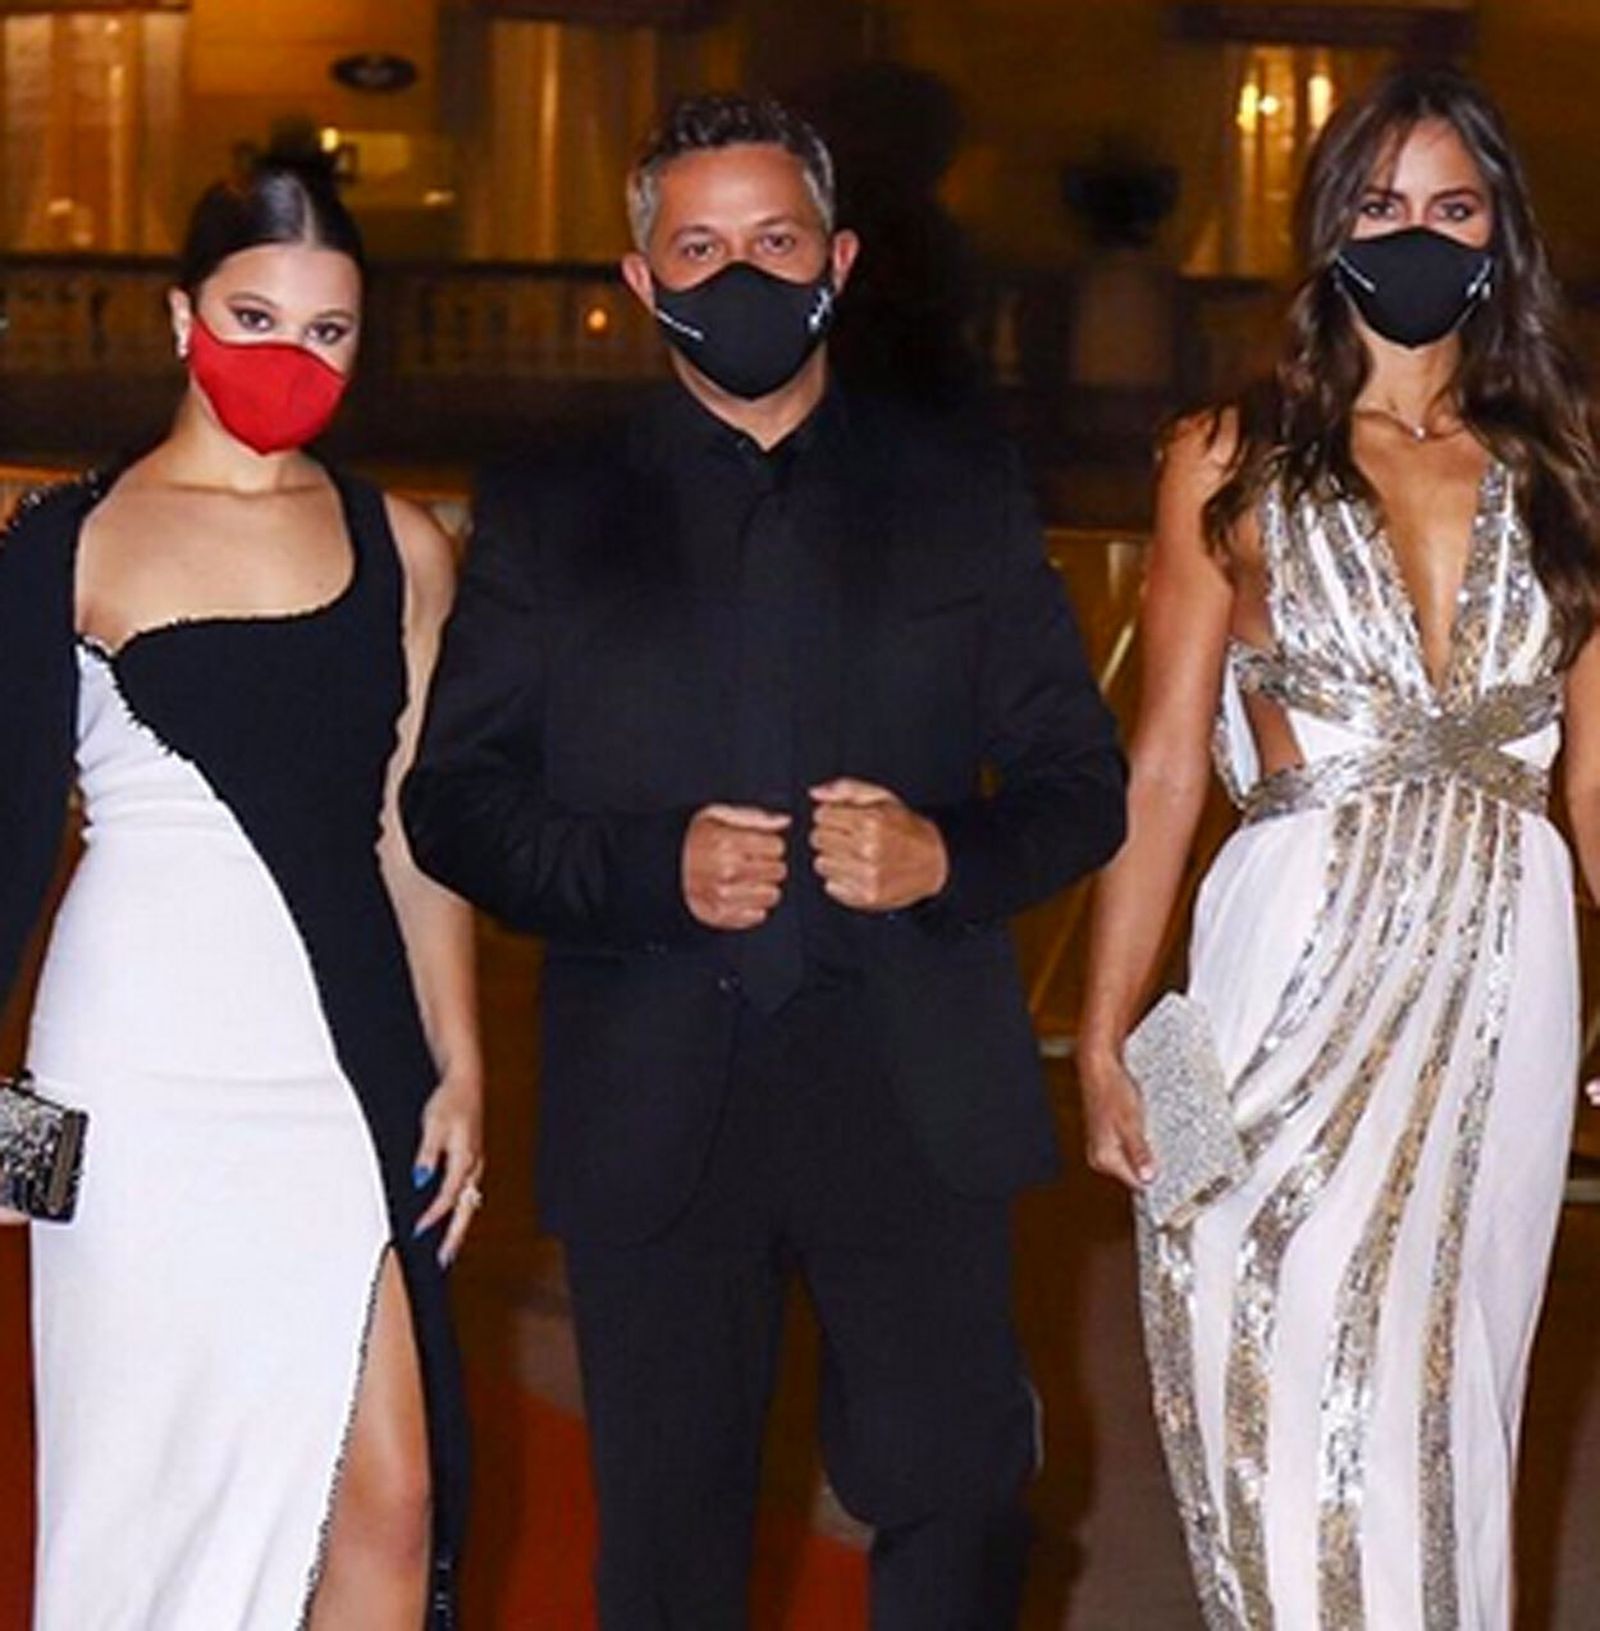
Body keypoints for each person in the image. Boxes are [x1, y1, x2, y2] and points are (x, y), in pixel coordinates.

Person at [403, 93, 1125, 1629]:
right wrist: (648, 868)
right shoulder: (549, 507)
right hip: (660, 1098)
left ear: (839, 259)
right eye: (702, 246)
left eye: (775, 240)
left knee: (957, 1500)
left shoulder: (961, 490)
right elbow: (456, 804)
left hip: (913, 1088)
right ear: (641, 276)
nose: (740, 275)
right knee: (667, 1555)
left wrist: (947, 853)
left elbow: (1081, 787)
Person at [1078, 63, 1600, 1628]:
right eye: (1382, 208)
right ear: (1326, 231)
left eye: (1454, 208)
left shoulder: (1567, 469)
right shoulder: (1224, 458)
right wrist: (1106, 1037)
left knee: (1451, 1391)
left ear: (1501, 235)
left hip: (1505, 972)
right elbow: (1166, 769)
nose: (1419, 237)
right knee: (1251, 1339)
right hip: (1275, 963)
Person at [0, 159, 483, 1629]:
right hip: (128, 1067)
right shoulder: (63, 543)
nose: (290, 356)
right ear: (179, 315)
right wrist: (13, 1151)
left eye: (328, 331)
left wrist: (462, 1061)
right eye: (255, 314)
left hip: (341, 1062)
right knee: (141, 1478)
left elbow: (417, 822)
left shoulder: (401, 541)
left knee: (395, 1498)